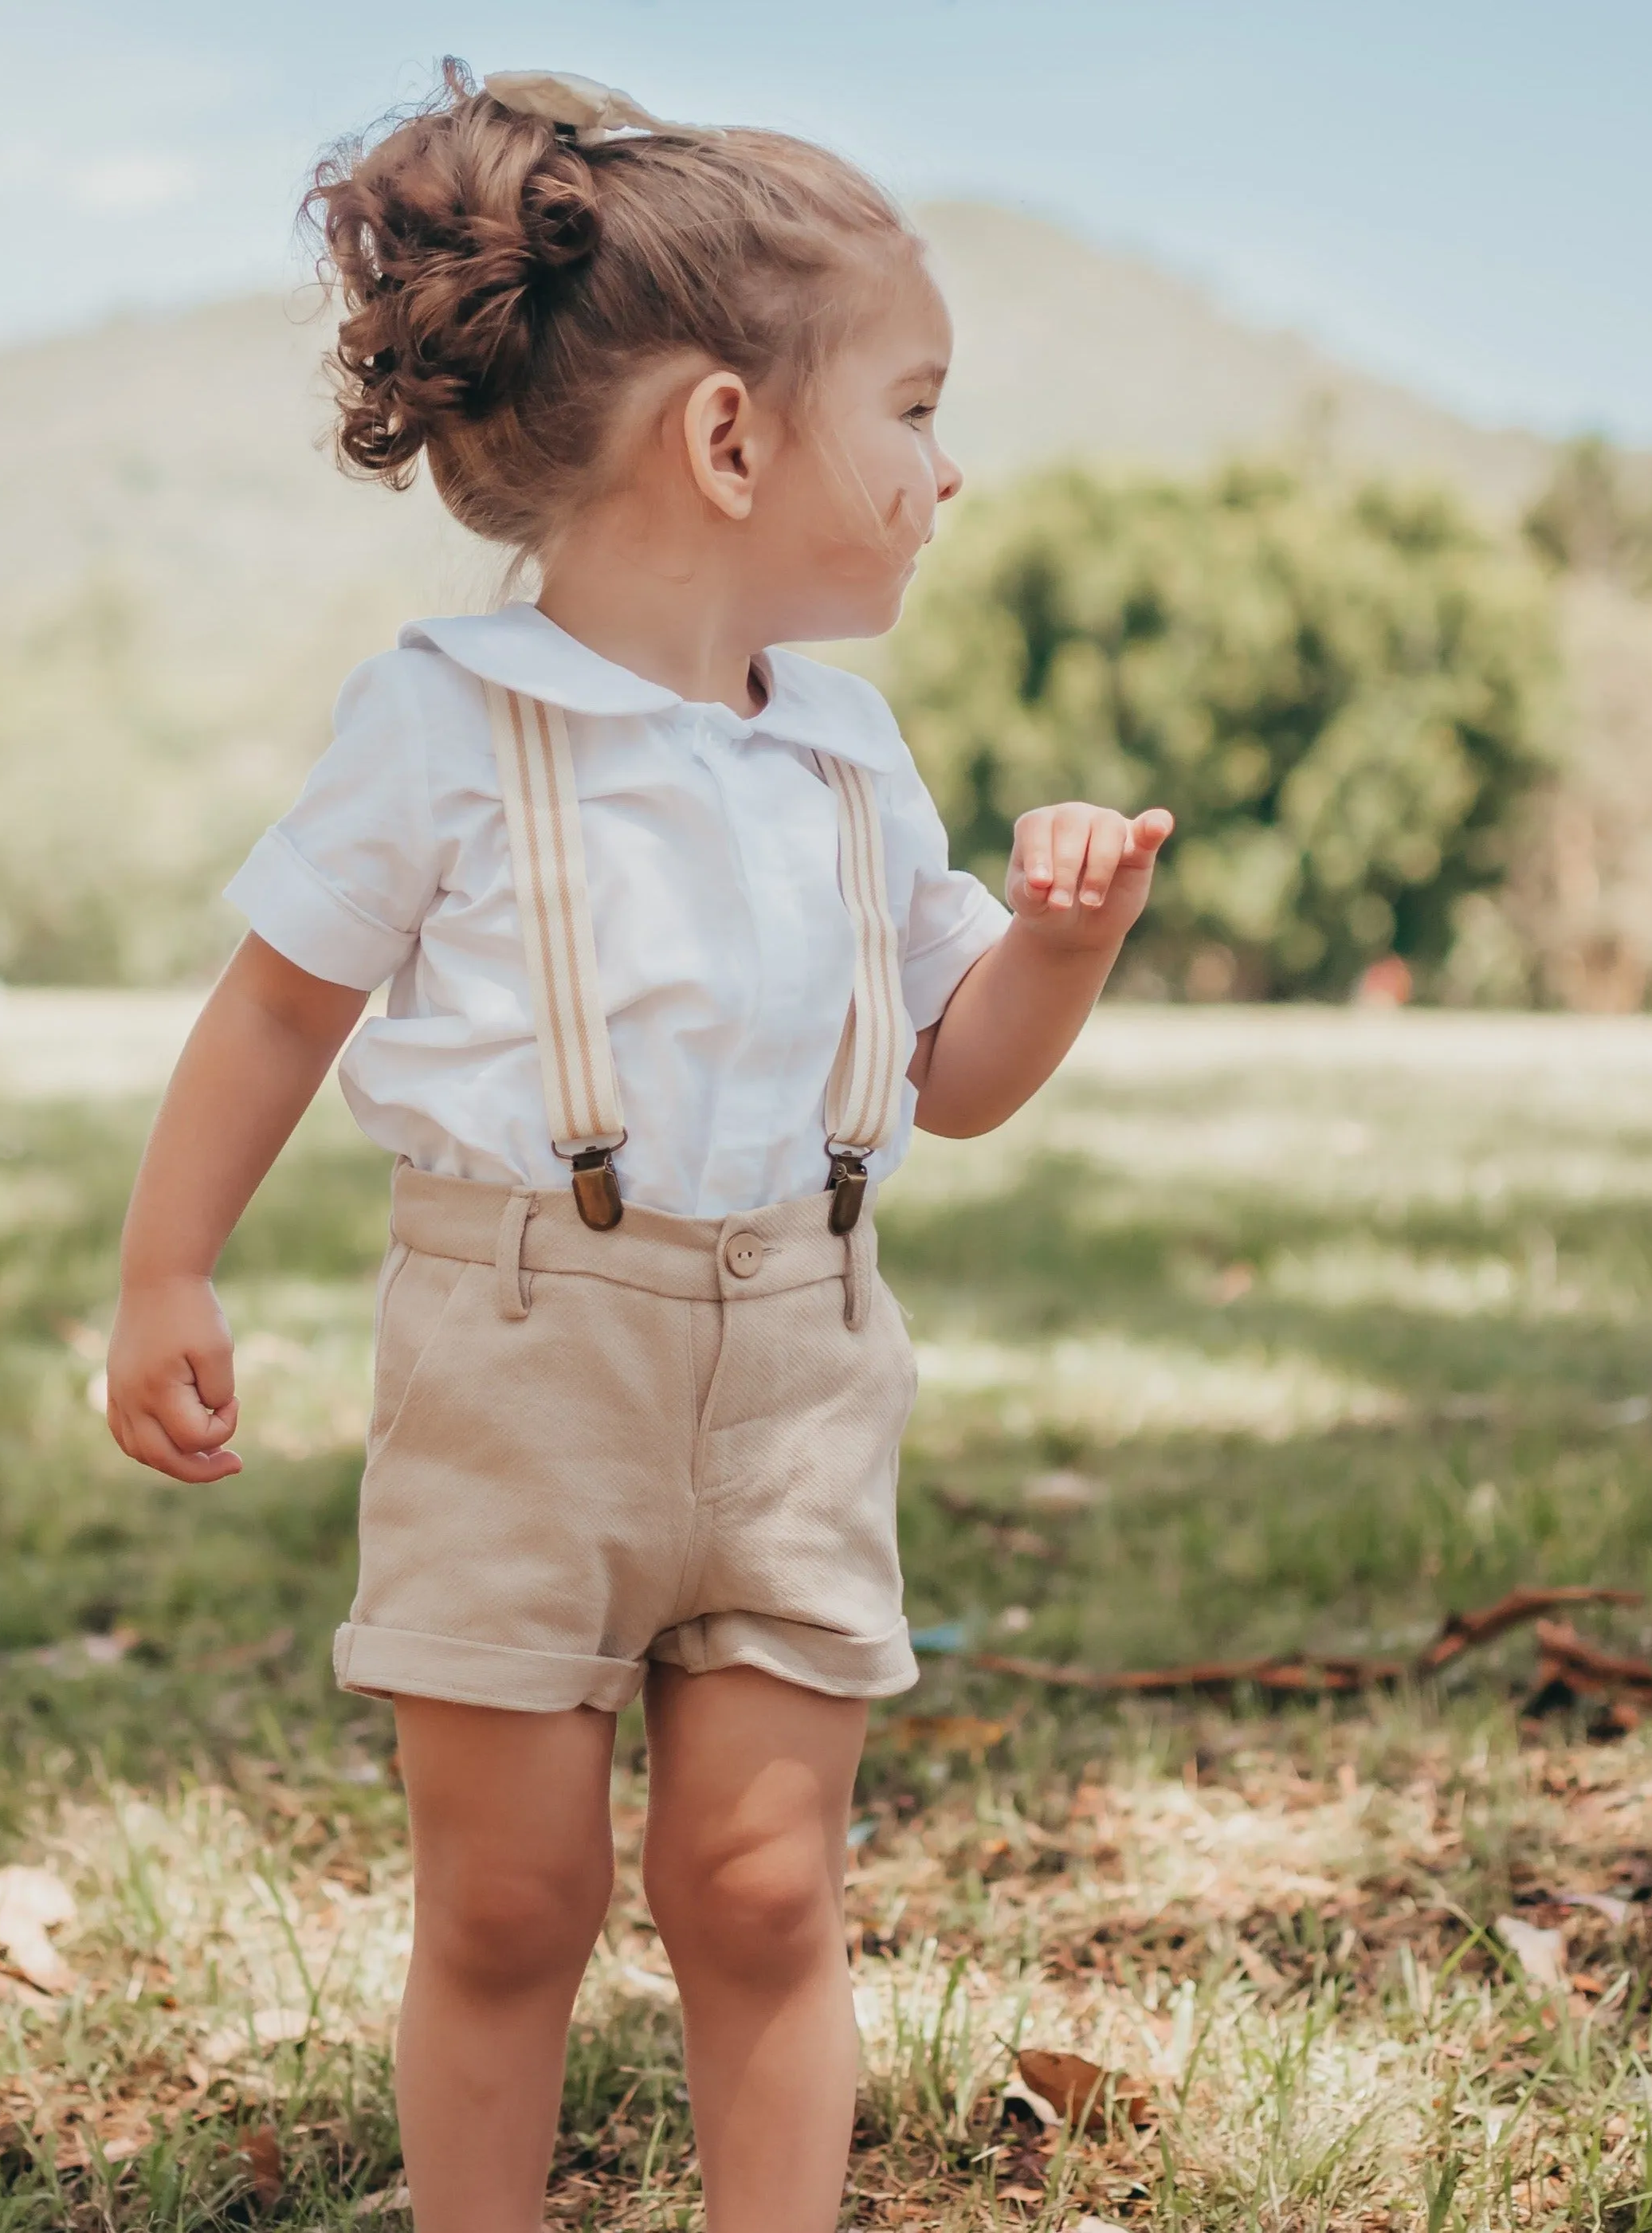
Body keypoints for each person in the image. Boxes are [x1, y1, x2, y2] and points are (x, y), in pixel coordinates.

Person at [104, 60, 1172, 2233]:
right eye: (914, 408)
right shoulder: (443, 719)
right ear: (725, 436)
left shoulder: (853, 753)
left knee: (763, 1887)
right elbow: (284, 999)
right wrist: (162, 1272)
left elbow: (953, 1076)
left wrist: (1065, 948)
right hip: (521, 1367)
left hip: (800, 1360)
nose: (948, 470)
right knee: (513, 1900)